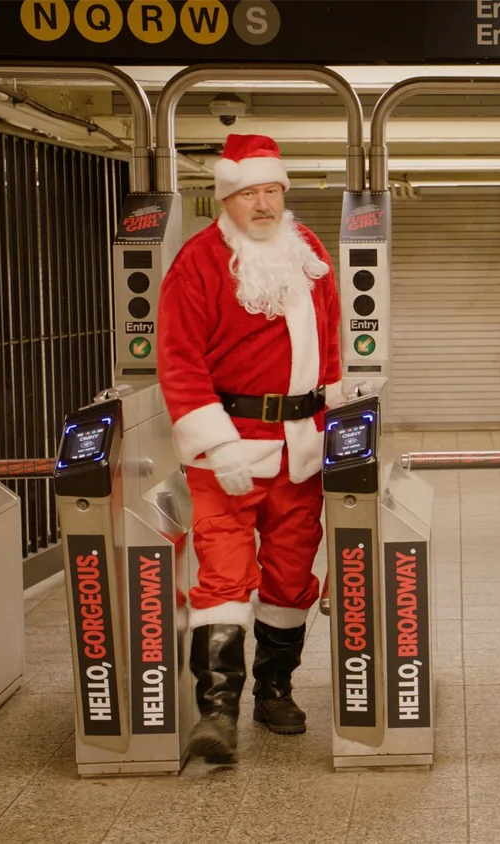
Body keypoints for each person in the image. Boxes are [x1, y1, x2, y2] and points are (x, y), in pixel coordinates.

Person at [158, 133, 341, 764]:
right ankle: (218, 712)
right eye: (248, 194)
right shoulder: (198, 262)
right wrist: (216, 443)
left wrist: (339, 411)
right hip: (229, 448)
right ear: (224, 197)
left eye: (271, 191)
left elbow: (331, 333)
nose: (262, 205)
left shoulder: (307, 246)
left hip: (302, 447)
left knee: (291, 576)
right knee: (225, 576)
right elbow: (178, 361)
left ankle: (274, 689)